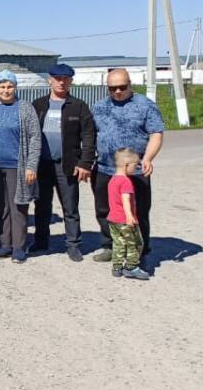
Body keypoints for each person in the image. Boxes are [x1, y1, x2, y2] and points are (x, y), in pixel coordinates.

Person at [91, 69, 163, 263]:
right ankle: (110, 246)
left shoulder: (145, 106)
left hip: (135, 171)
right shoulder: (99, 107)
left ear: (130, 84)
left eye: (122, 87)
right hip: (105, 169)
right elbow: (90, 135)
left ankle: (140, 249)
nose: (117, 91)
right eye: (112, 88)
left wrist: (148, 158)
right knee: (105, 210)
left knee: (138, 211)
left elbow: (156, 133)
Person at [32, 63, 97, 261]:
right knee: (42, 206)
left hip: (67, 165)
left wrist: (85, 163)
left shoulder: (78, 106)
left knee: (70, 207)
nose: (61, 82)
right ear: (49, 80)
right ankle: (41, 241)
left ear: (71, 81)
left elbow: (88, 136)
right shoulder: (38, 105)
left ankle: (73, 245)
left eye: (65, 79)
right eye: (57, 79)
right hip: (42, 165)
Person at [0, 71, 41, 264]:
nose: (6, 90)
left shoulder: (25, 108)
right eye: (2, 86)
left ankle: (19, 246)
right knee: (1, 207)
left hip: (18, 166)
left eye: (10, 86)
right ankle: (5, 244)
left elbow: (35, 138)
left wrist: (31, 166)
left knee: (18, 206)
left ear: (15, 87)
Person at [106, 149, 151, 280]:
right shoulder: (126, 182)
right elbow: (125, 200)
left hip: (113, 219)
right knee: (135, 243)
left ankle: (117, 267)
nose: (136, 169)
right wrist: (130, 216)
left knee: (118, 243)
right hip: (125, 220)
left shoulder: (113, 180)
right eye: (134, 165)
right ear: (126, 165)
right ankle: (131, 267)